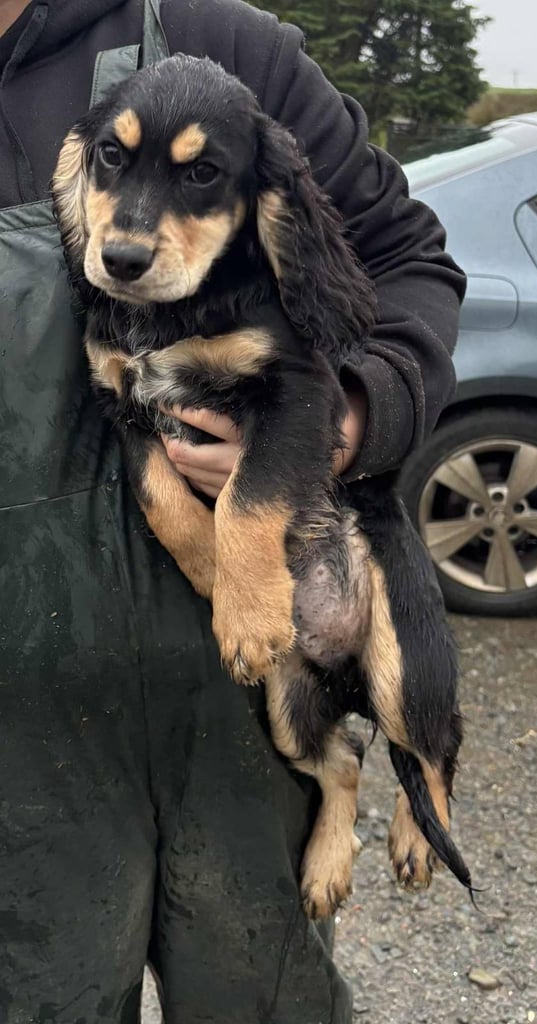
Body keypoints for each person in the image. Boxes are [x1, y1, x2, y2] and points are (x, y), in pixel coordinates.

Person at [0, 0, 465, 1020]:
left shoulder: (223, 47)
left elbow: (406, 265)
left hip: (251, 691)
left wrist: (346, 418)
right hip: (19, 720)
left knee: (262, 999)